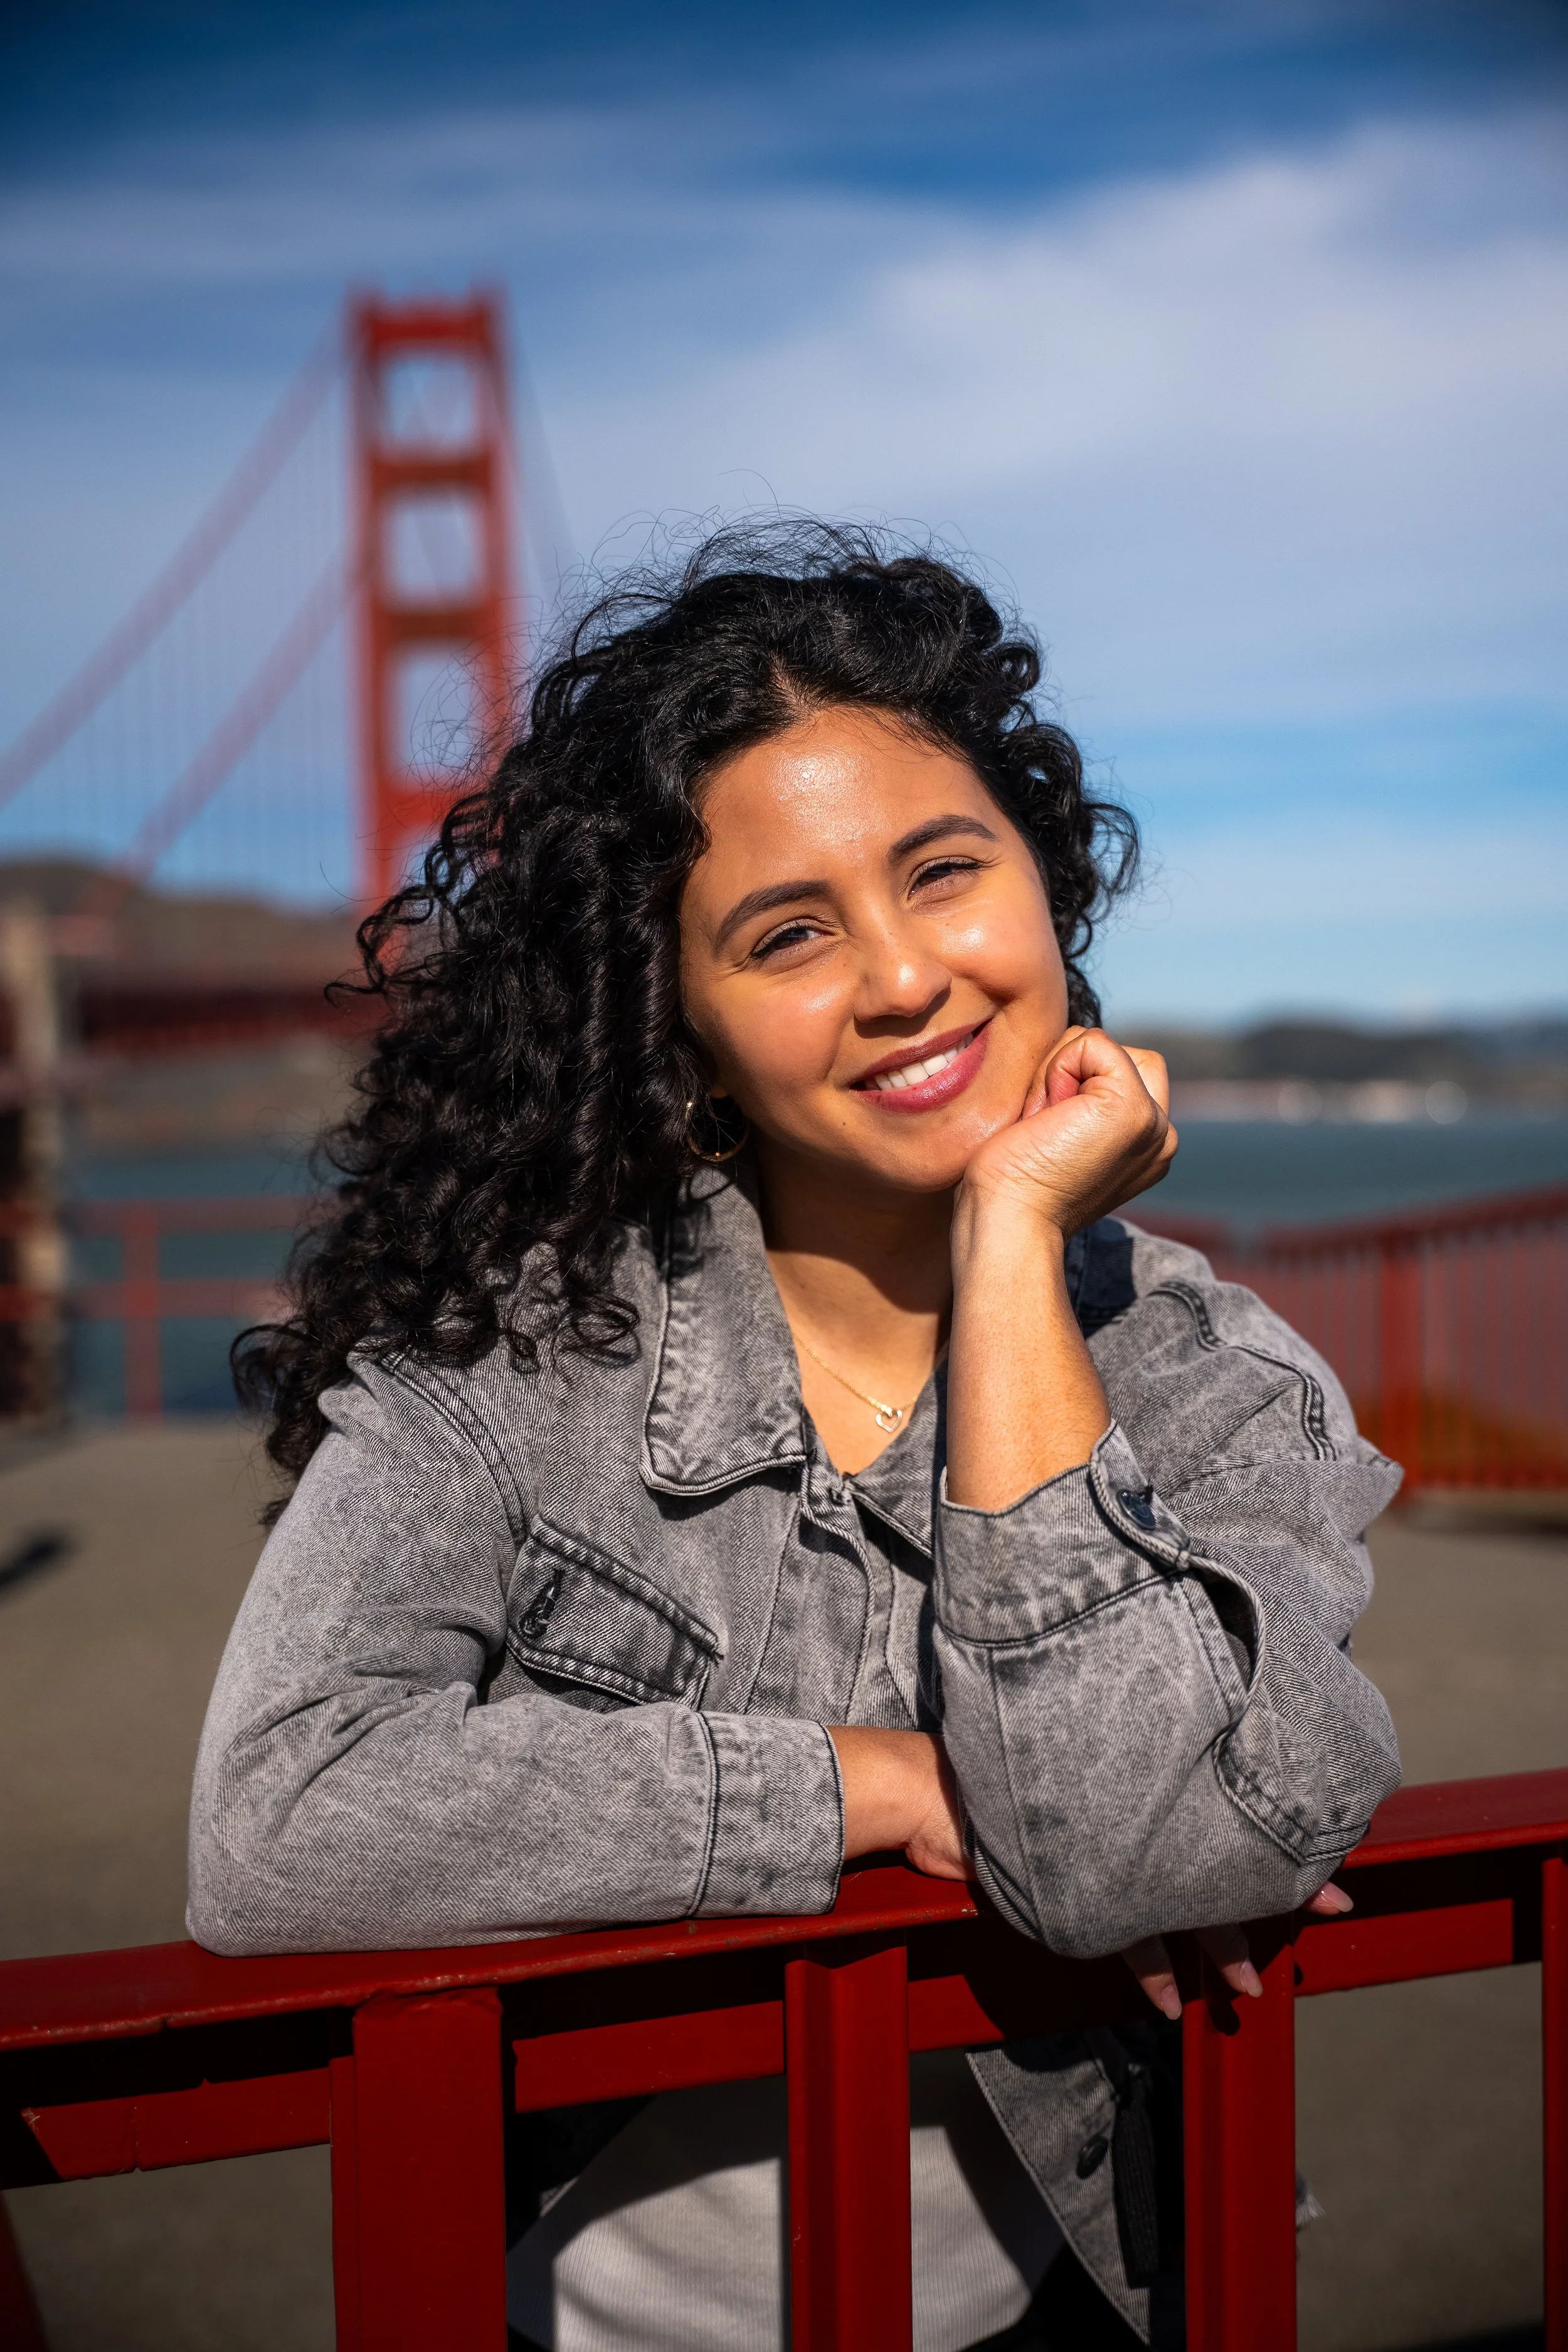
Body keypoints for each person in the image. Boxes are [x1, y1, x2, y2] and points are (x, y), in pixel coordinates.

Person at [192, 524, 1401, 2351]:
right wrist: (876, 1784)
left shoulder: (1210, 1378)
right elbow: (275, 1823)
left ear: (1045, 897)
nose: (904, 977)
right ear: (682, 1028)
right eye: (788, 932)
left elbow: (1135, 1860)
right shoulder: (521, 1360)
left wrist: (1009, 1252)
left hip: (1070, 2300)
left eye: (943, 872)